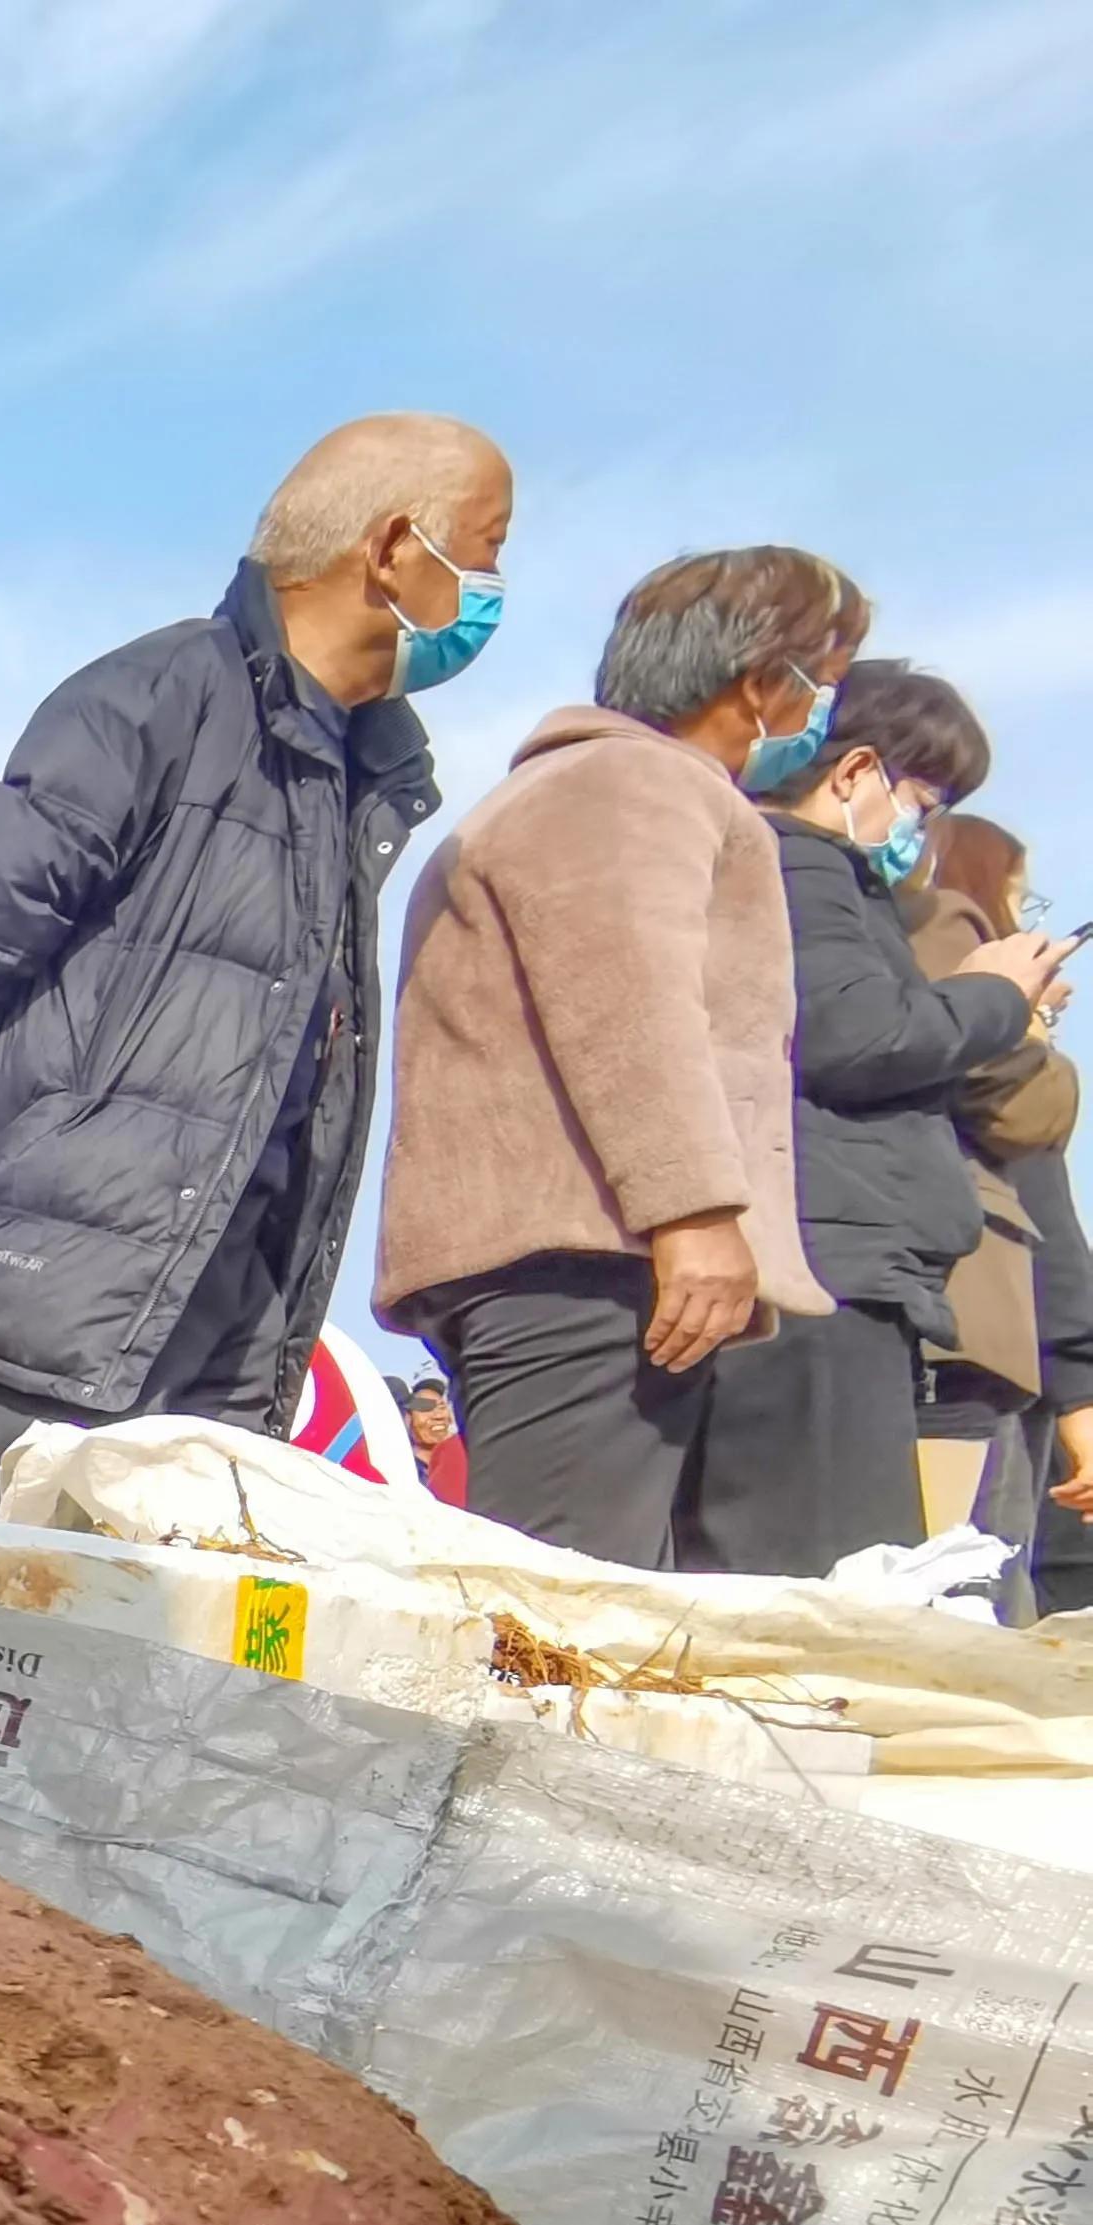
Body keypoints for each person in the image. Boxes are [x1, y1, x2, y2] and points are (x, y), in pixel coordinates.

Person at [0, 415, 508, 1515]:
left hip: (226, 1302)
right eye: (485, 552)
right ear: (394, 550)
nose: (490, 591)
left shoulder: (359, 767)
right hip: (61, 1281)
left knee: (190, 1651)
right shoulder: (162, 696)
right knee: (49, 1635)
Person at [372, 548, 859, 1568]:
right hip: (591, 1260)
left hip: (591, 1257)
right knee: (556, 1618)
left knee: (596, 1610)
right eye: (823, 675)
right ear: (760, 676)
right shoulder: (626, 782)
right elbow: (627, 1002)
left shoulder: (592, 785)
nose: (824, 708)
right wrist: (692, 1209)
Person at [729, 659, 1072, 1572]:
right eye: (923, 798)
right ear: (854, 772)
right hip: (832, 1271)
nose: (920, 828)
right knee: (843, 1579)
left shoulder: (811, 873)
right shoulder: (804, 866)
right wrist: (998, 1001)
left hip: (854, 1267)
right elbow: (858, 1037)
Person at [899, 808, 1086, 1615]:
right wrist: (1026, 1026)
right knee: (971, 1615)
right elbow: (1045, 1211)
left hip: (948, 1349)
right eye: (1021, 901)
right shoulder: (973, 1023)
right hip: (976, 1358)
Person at [399, 1374, 467, 1509]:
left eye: (442, 1407)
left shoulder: (467, 1457)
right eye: (425, 1408)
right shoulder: (404, 1475)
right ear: (407, 1418)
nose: (438, 1416)